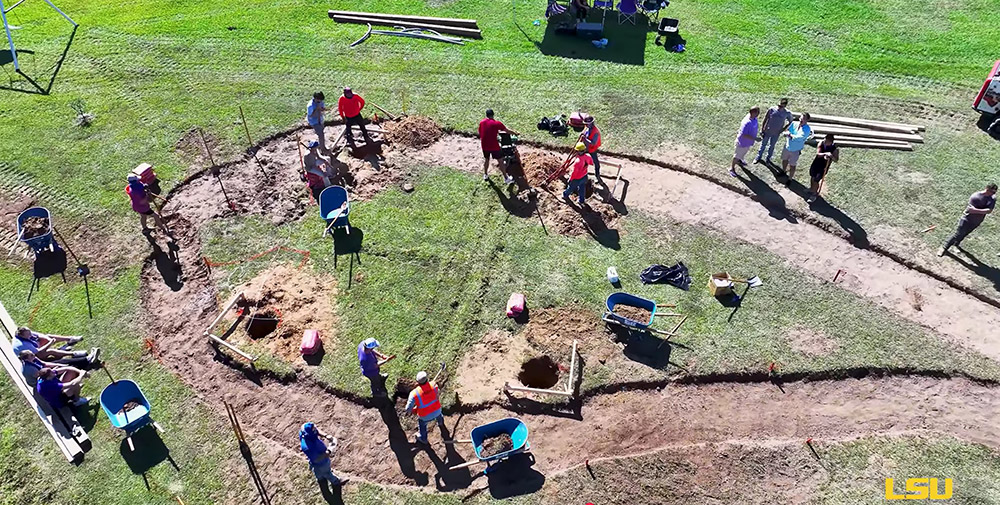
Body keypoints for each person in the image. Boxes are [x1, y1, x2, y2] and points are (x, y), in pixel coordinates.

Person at [938, 183, 997, 256]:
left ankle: (956, 245)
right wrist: (981, 211)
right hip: (966, 219)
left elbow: (989, 211)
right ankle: (944, 247)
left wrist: (976, 210)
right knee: (958, 234)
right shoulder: (976, 196)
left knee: (965, 234)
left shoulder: (992, 198)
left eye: (994, 192)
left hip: (976, 221)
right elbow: (970, 210)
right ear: (987, 189)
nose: (993, 194)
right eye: (992, 192)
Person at [299, 422, 348, 488]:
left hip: (315, 463)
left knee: (318, 472)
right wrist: (328, 452)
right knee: (327, 472)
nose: (315, 429)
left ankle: (320, 479)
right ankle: (336, 481)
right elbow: (317, 459)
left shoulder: (304, 433)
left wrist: (325, 435)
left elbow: (316, 430)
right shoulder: (308, 448)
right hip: (321, 463)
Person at [13, 327, 98, 364]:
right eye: (28, 334)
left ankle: (70, 340)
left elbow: (39, 335)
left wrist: (48, 339)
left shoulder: (26, 334)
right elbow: (38, 352)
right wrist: (50, 343)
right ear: (22, 336)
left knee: (48, 336)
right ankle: (76, 355)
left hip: (35, 355)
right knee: (52, 353)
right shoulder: (23, 345)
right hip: (33, 357)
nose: (30, 335)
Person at [478, 109, 521, 184]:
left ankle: (485, 174)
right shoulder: (497, 123)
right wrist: (515, 133)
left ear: (486, 115)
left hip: (484, 145)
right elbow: (507, 131)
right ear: (493, 115)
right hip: (493, 145)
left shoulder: (481, 123)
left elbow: (481, 132)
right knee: (500, 161)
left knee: (486, 159)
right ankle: (506, 178)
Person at [405, 370, 446, 445]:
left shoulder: (414, 393)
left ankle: (423, 438)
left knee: (422, 425)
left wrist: (413, 410)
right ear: (427, 379)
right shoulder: (434, 386)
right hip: (437, 410)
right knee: (439, 416)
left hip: (425, 416)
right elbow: (436, 395)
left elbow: (407, 408)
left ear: (417, 382)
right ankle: (440, 423)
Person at [754, 98, 792, 165]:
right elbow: (766, 118)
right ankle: (758, 157)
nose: (779, 107)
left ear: (785, 106)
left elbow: (790, 121)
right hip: (767, 131)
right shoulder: (772, 109)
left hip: (776, 133)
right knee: (763, 145)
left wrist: (783, 129)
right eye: (779, 105)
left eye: (781, 106)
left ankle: (768, 159)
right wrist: (762, 128)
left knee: (772, 146)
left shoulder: (787, 113)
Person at [19, 350, 85, 387]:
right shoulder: (29, 369)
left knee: (63, 364)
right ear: (26, 359)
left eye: (32, 353)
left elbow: (44, 364)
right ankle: (72, 384)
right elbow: (42, 377)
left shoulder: (33, 358)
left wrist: (59, 365)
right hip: (39, 382)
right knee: (64, 371)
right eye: (31, 355)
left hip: (45, 372)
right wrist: (54, 370)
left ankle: (84, 362)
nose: (34, 355)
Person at [806, 134, 839, 203]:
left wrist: (831, 156)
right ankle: (811, 189)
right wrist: (825, 154)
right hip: (816, 163)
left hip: (823, 167)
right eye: (825, 140)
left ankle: (814, 194)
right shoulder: (821, 143)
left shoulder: (834, 149)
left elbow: (836, 159)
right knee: (812, 176)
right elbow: (818, 154)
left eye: (828, 141)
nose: (826, 142)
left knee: (816, 180)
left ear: (831, 142)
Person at [780, 112, 812, 180]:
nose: (801, 120)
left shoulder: (807, 129)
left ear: (807, 120)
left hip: (795, 150)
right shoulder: (794, 123)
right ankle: (783, 171)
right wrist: (787, 132)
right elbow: (788, 129)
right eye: (800, 118)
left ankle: (790, 178)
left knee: (792, 165)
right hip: (787, 146)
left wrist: (790, 136)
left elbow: (800, 137)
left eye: (803, 119)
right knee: (784, 160)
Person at [730, 106, 760, 176]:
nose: (759, 114)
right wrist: (755, 138)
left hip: (748, 142)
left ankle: (740, 161)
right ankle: (732, 168)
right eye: (757, 112)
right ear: (753, 113)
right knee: (736, 156)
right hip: (742, 143)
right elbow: (744, 134)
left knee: (742, 154)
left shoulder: (754, 118)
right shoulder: (747, 122)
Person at [581, 115, 602, 182]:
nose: (586, 125)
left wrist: (585, 139)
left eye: (587, 124)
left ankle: (597, 175)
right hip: (586, 148)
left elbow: (593, 143)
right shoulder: (587, 128)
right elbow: (586, 133)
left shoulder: (595, 132)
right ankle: (583, 174)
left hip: (592, 149)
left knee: (596, 163)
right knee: (583, 161)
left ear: (591, 123)